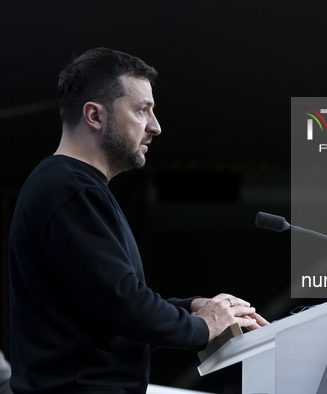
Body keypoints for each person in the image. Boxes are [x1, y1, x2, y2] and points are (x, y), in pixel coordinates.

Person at [8, 48, 268, 394]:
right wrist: (203, 328)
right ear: (94, 116)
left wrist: (195, 309)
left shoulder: (71, 187)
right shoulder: (68, 190)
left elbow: (110, 301)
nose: (155, 127)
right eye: (142, 110)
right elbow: (121, 305)